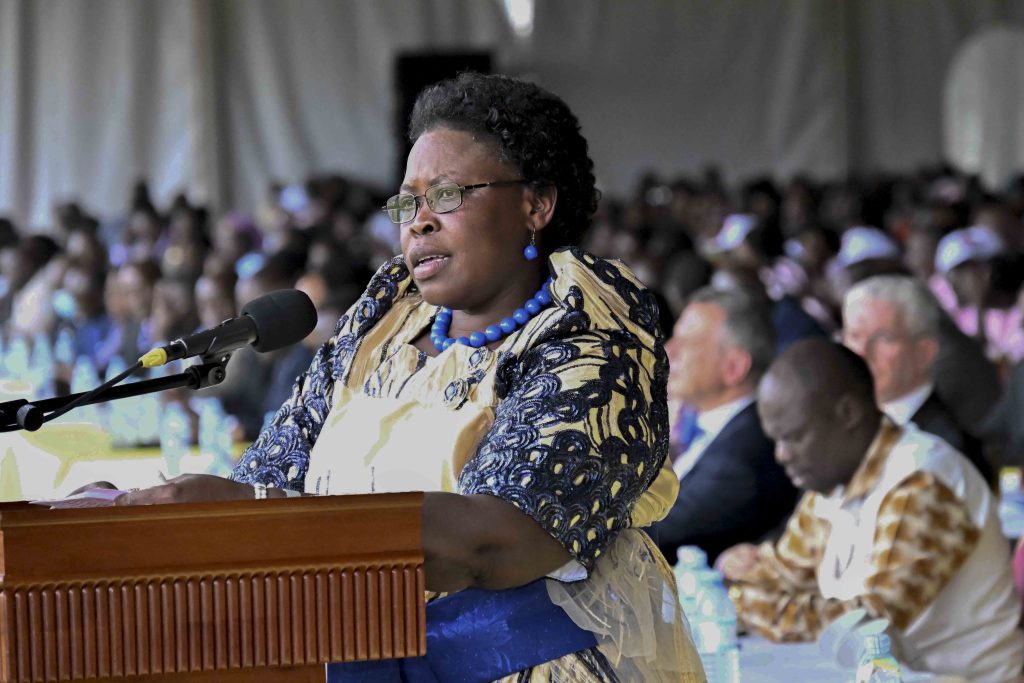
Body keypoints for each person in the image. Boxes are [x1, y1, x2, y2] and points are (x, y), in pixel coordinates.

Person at [103, 73, 702, 682]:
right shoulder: (381, 325)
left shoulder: (591, 335)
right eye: (407, 203)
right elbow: (271, 475)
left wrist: (255, 510)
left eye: (446, 195)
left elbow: (495, 540)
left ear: (535, 204)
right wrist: (142, 517)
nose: (418, 222)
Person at [719, 339, 1023, 682]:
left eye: (794, 437)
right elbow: (779, 573)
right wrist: (742, 587)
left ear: (848, 414)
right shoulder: (831, 480)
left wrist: (741, 604)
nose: (781, 455)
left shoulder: (922, 482)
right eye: (776, 440)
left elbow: (869, 626)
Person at [651, 287, 797, 564]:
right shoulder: (716, 426)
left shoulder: (740, 458)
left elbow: (647, 530)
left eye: (687, 343)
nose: (669, 350)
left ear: (734, 367)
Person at [842, 275, 993, 484]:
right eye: (855, 336)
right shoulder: (841, 427)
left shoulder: (946, 449)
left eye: (883, 338)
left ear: (924, 353)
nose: (862, 352)